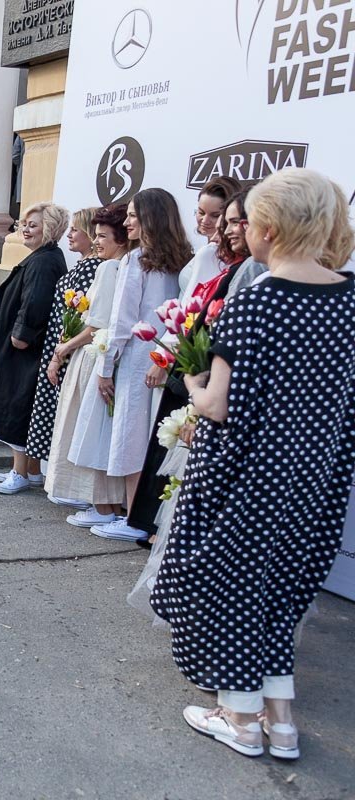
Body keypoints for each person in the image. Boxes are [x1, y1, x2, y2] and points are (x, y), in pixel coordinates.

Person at [150, 168, 355, 760]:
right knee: (279, 591)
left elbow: (216, 404)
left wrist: (188, 373)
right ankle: (280, 723)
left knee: (229, 589)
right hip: (315, 478)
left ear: (266, 228)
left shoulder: (254, 302)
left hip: (243, 474)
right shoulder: (349, 298)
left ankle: (239, 719)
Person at [121, 187, 268, 545]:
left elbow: (208, 321)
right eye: (204, 213)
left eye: (227, 218)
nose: (211, 223)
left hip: (201, 374)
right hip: (190, 360)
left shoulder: (249, 272)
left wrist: (184, 372)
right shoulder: (213, 256)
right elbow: (192, 311)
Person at [89, 189, 193, 540]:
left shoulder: (136, 260)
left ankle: (134, 517)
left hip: (138, 359)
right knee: (154, 437)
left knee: (133, 439)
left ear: (150, 218)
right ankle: (143, 518)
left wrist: (105, 368)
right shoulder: (182, 258)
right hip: (167, 359)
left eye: (133, 215)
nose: (127, 221)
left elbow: (122, 320)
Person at [0, 201, 68, 495]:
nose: (25, 229)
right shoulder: (44, 258)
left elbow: (35, 303)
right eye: (23, 224)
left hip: (25, 349)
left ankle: (20, 471)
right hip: (26, 347)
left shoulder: (41, 261)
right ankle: (32, 470)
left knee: (18, 405)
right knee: (24, 405)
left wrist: (20, 337)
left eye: (33, 225)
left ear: (49, 229)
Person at [45, 204, 130, 526]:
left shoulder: (110, 269)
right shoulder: (120, 266)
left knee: (87, 431)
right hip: (99, 353)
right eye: (95, 235)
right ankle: (105, 505)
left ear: (120, 238)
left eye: (103, 236)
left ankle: (102, 506)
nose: (97, 242)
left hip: (92, 356)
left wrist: (64, 347)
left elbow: (96, 323)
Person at [26, 207, 102, 488]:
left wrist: (60, 353)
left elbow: (77, 317)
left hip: (66, 349)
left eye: (75, 230)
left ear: (91, 235)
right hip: (59, 346)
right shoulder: (84, 265)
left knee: (60, 412)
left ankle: (63, 480)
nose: (70, 235)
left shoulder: (92, 267)